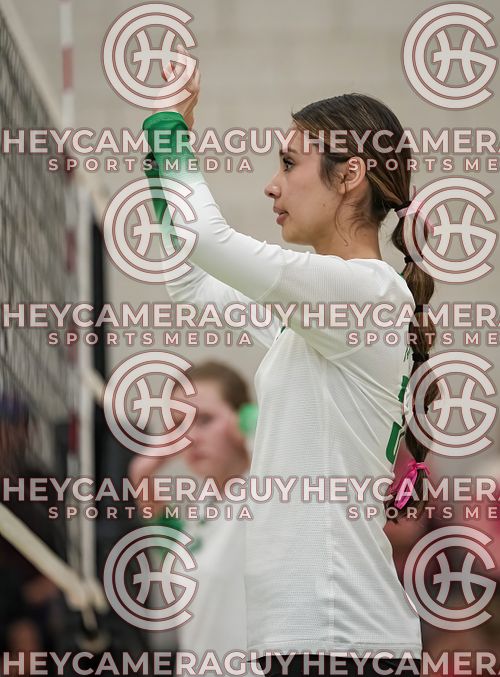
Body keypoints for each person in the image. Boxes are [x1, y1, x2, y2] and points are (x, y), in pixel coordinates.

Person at [141, 47, 438, 677]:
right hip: (312, 642)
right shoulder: (315, 315)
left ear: (349, 175)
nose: (272, 185)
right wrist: (166, 153)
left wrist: (168, 130)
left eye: (288, 163)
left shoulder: (366, 293)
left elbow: (206, 239)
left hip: (343, 644)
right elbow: (189, 278)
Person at [128, 361, 253, 670]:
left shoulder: (267, 490)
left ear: (240, 421)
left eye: (205, 419)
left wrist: (251, 421)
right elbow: (173, 551)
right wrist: (141, 473)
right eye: (179, 425)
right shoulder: (203, 505)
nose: (190, 437)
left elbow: (283, 429)